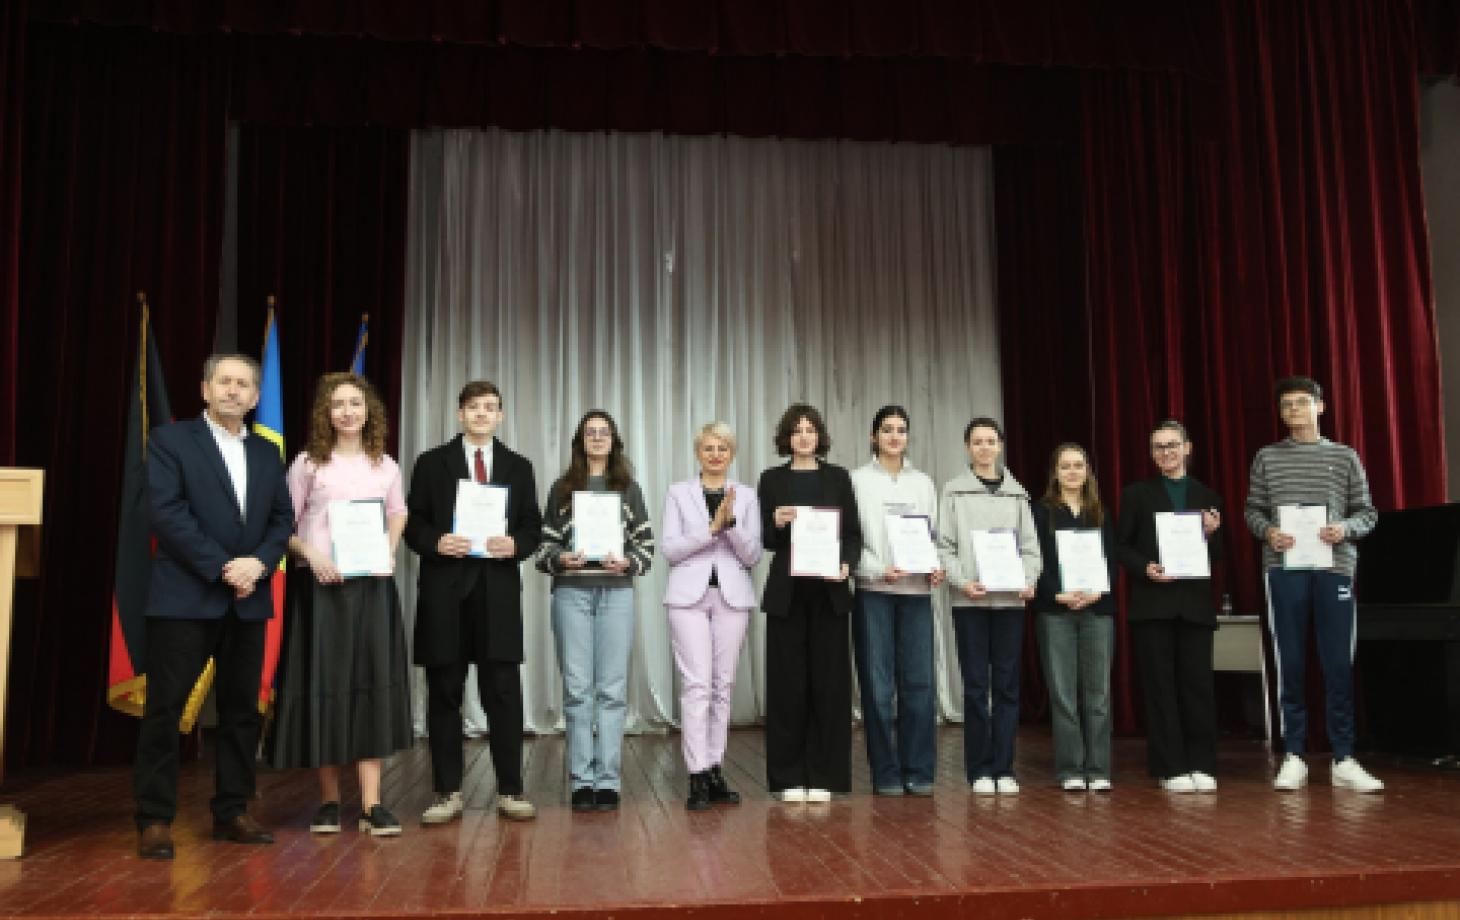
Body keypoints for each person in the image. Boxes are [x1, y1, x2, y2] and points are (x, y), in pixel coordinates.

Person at [133, 354, 293, 860]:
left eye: (243, 384)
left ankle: (233, 810)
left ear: (255, 397)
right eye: (224, 381)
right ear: (205, 389)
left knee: (242, 712)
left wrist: (258, 564)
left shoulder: (267, 452)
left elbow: (282, 521)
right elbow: (166, 513)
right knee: (165, 710)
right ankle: (155, 818)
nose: (233, 390)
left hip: (248, 600)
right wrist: (224, 566)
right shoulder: (171, 441)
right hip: (185, 598)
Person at [269, 373, 413, 836]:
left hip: (372, 587)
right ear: (325, 414)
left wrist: (389, 550)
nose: (347, 412)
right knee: (324, 685)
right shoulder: (308, 464)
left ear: (369, 411)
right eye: (338, 405)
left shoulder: (384, 464)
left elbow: (398, 512)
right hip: (321, 589)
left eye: (355, 403)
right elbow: (283, 526)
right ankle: (329, 801)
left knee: (372, 685)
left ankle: (372, 803)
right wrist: (311, 555)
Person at [404, 381, 543, 824]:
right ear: (460, 414)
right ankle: (447, 792)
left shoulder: (519, 466)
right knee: (444, 691)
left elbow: (532, 526)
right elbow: (412, 523)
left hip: (497, 591)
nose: (482, 414)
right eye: (473, 407)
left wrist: (516, 544)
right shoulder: (431, 463)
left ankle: (510, 790)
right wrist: (436, 541)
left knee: (503, 691)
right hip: (444, 591)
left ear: (500, 416)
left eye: (490, 407)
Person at [1244, 376, 1382, 793]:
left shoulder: (1344, 456)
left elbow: (1367, 513)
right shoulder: (1267, 457)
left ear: (1320, 406)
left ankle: (1344, 757)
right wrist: (1269, 532)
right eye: (1287, 405)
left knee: (1338, 663)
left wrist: (1345, 528)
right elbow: (1253, 511)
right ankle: (1294, 755)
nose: (1294, 411)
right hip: (1284, 569)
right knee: (1290, 661)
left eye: (1302, 403)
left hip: (1334, 568)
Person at [536, 410, 654, 812]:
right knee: (577, 689)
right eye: (591, 432)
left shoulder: (629, 490)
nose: (598, 438)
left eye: (605, 432)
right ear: (580, 441)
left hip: (616, 594)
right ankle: (581, 781)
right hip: (571, 593)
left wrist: (628, 562)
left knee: (612, 690)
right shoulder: (562, 489)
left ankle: (608, 781)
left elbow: (646, 547)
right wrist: (560, 558)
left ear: (614, 441)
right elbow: (544, 548)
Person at [757, 403, 862, 803]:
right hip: (786, 593)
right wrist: (776, 522)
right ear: (787, 437)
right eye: (797, 430)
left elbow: (852, 534)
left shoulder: (838, 477)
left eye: (810, 430)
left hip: (829, 593)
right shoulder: (771, 479)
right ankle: (788, 777)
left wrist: (847, 565)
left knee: (830, 686)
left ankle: (825, 776)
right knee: (787, 687)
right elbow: (765, 539)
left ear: (820, 436)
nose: (804, 436)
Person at [1115, 420, 1222, 792]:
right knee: (1160, 687)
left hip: (1195, 606)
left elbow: (1218, 557)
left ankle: (1202, 764)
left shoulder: (1207, 495)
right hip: (1152, 605)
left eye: (1172, 445)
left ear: (1187, 448)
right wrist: (1145, 567)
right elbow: (1121, 546)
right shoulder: (1137, 494)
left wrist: (1211, 533)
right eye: (1159, 447)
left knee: (1198, 686)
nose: (1166, 452)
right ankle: (1170, 767)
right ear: (1152, 453)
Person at [936, 417, 1040, 795]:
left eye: (990, 441)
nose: (984, 447)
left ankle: (1004, 768)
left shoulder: (1018, 495)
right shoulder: (953, 493)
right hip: (971, 602)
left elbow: (1030, 549)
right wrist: (964, 581)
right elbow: (944, 546)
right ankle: (979, 769)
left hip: (1010, 603)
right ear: (968, 447)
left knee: (1008, 686)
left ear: (1000, 446)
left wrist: (1028, 580)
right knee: (976, 686)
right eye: (977, 441)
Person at [661, 422, 762, 810]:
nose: (716, 454)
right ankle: (697, 773)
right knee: (697, 685)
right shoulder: (678, 493)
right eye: (709, 448)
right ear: (697, 452)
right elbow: (671, 550)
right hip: (688, 598)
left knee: (723, 686)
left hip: (732, 598)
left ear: (732, 453)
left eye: (722, 448)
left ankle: (715, 768)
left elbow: (752, 555)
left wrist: (730, 526)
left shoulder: (746, 496)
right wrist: (711, 528)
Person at [849, 405, 943, 796]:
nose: (894, 436)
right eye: (886, 429)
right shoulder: (856, 481)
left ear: (907, 437)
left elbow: (934, 535)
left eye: (901, 430)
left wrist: (935, 567)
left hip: (916, 593)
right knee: (877, 687)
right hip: (874, 592)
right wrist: (876, 569)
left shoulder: (923, 483)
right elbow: (850, 539)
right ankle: (885, 772)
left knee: (920, 683)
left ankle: (918, 770)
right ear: (873, 436)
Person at [1032, 443, 1118, 791]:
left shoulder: (1100, 512)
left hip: (1097, 610)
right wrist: (1056, 594)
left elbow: (1111, 559)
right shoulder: (1040, 512)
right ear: (1055, 472)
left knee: (1098, 695)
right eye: (1065, 466)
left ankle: (1098, 770)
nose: (1072, 472)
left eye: (1078, 465)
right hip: (1056, 612)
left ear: (1087, 471)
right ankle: (1070, 769)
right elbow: (1035, 562)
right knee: (1063, 695)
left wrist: (1098, 590)